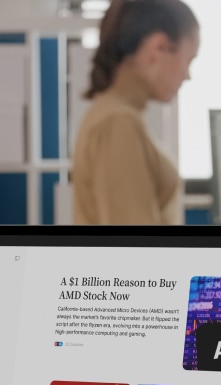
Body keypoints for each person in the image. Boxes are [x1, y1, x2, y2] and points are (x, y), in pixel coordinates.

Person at [72, 0, 198, 225]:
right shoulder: (117, 123)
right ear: (158, 47)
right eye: (188, 60)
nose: (188, 75)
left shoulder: (117, 114)